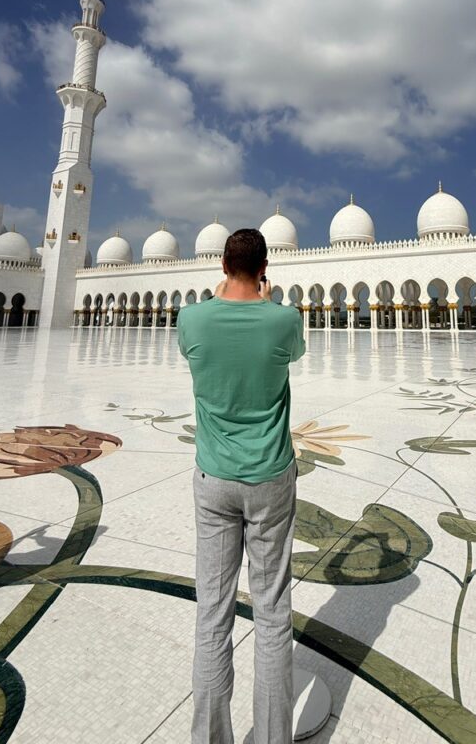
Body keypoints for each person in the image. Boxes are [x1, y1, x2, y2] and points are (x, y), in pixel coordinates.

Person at [177, 228, 306, 744]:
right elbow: (292, 353)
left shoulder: (192, 318)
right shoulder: (283, 320)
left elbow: (199, 349)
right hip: (271, 477)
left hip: (213, 480)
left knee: (213, 612)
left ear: (223, 262)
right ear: (264, 266)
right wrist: (267, 300)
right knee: (272, 613)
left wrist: (220, 297)